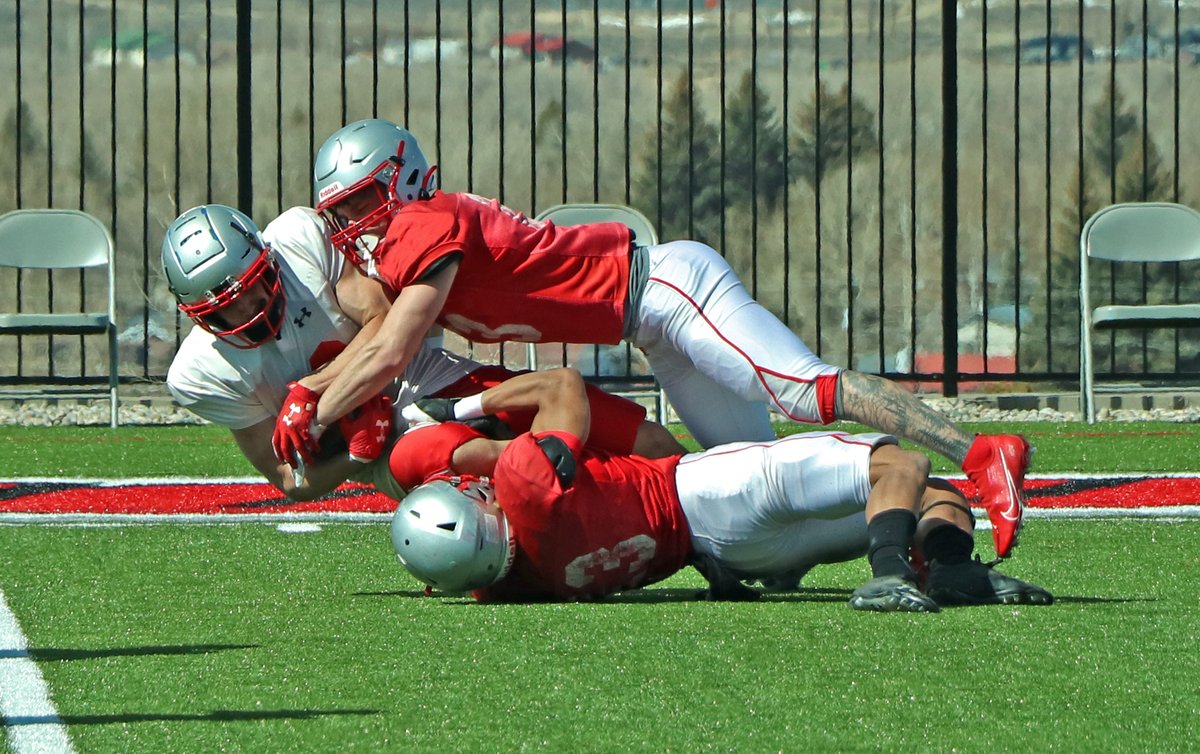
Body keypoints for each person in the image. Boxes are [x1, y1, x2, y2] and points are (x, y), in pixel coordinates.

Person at [274, 118, 1031, 559]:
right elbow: (374, 325)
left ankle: (980, 452)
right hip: (650, 325)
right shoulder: (399, 239)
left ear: (402, 181)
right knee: (749, 466)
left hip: (666, 290)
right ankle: (927, 514)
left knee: (802, 390)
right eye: (343, 213)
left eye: (365, 201)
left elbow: (393, 346)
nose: (355, 224)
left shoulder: (423, 222)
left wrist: (310, 398)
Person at [386, 367, 1052, 610]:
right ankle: (886, 574)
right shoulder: (525, 485)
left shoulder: (500, 587)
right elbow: (561, 385)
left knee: (929, 499)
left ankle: (957, 574)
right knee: (901, 468)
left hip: (727, 559)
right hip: (706, 493)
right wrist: (462, 415)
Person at [162, 204, 683, 502]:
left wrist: (317, 393)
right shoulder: (201, 374)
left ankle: (698, 492)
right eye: (231, 308)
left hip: (416, 377)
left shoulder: (297, 241)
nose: (253, 307)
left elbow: (384, 321)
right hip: (385, 450)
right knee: (444, 456)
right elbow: (289, 479)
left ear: (267, 258)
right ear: (197, 315)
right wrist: (355, 453)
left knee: (629, 432)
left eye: (256, 286)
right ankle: (585, 493)